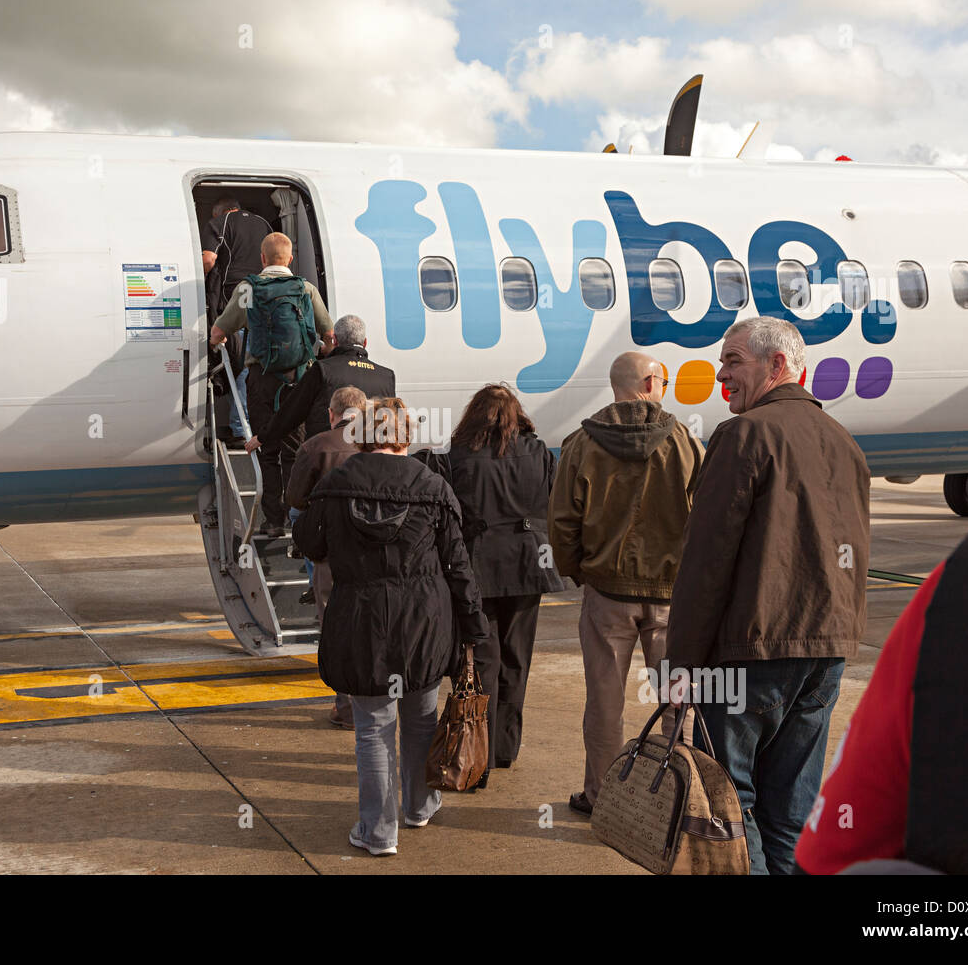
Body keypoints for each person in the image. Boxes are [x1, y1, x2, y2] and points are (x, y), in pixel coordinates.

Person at [665, 317, 870, 876]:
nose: (720, 374)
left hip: (750, 654)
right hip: (825, 652)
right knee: (792, 809)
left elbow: (705, 565)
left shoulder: (743, 436)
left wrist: (680, 665)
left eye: (733, 361)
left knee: (732, 806)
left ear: (777, 366)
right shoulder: (843, 441)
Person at [293, 397, 490, 856]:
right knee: (421, 718)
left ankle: (377, 832)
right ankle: (419, 807)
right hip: (424, 618)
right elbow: (458, 566)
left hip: (360, 618)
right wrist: (474, 628)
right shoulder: (433, 485)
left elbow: (308, 542)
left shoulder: (336, 485)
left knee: (372, 728)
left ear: (362, 434)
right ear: (404, 435)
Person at [795, 526, 968, 875]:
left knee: (750, 796)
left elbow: (834, 857)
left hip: (774, 646)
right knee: (790, 798)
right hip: (823, 643)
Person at [549, 352, 703, 816]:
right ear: (652, 382)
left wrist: (581, 571)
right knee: (677, 703)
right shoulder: (686, 443)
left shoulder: (580, 443)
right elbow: (703, 520)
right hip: (669, 596)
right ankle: (679, 798)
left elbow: (562, 523)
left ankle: (601, 797)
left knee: (604, 703)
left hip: (607, 594)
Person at [423, 384, 563, 789]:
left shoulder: (458, 457)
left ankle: (475, 758)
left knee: (480, 663)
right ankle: (505, 749)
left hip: (478, 568)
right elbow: (551, 503)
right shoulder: (538, 452)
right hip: (529, 566)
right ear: (517, 416)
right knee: (518, 660)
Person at [210, 232, 334, 536]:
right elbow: (330, 334)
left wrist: (221, 342)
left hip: (262, 378)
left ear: (262, 259)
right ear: (290, 259)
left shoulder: (248, 289)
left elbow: (218, 331)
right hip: (299, 379)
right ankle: (295, 515)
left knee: (267, 450)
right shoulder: (305, 289)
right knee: (295, 449)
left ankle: (273, 521)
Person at [285, 385, 367, 730]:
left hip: (332, 556)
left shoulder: (315, 446)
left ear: (331, 414)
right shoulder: (382, 446)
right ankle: (377, 701)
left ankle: (346, 707)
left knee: (334, 627)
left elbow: (295, 498)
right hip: (376, 553)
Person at [246, 314, 394, 453]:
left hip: (326, 457)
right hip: (369, 461)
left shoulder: (322, 369)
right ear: (365, 342)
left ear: (334, 340)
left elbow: (293, 411)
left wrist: (262, 437)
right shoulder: (386, 377)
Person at [201, 199, 270, 445]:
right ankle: (256, 425)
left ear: (220, 212)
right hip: (265, 302)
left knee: (239, 366)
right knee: (257, 365)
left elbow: (208, 260)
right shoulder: (264, 224)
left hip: (236, 299)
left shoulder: (220, 223)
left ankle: (241, 428)